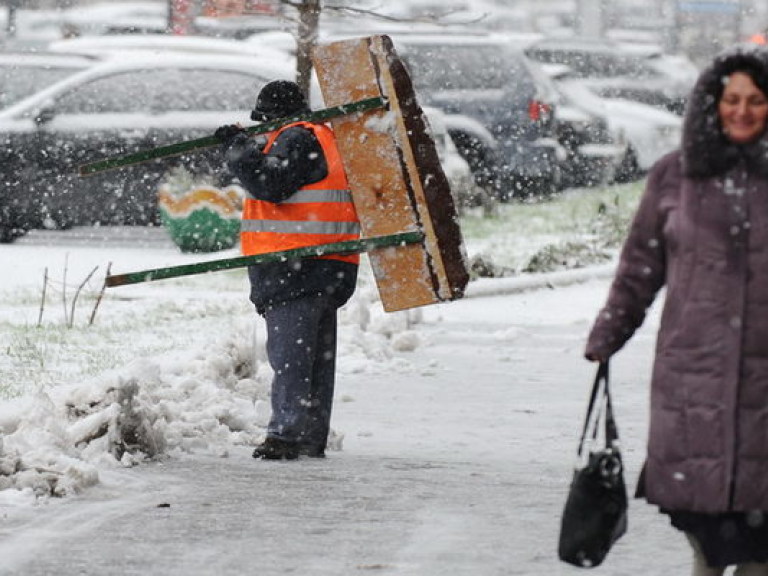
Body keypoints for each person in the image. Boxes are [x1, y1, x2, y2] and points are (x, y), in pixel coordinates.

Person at [584, 45, 768, 575]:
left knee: (761, 549)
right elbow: (640, 269)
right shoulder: (676, 176)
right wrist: (609, 333)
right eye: (731, 99)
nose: (742, 110)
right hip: (695, 382)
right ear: (712, 105)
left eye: (756, 100)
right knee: (706, 543)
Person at [214, 80, 360, 460]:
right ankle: (310, 435)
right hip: (329, 264)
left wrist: (239, 150)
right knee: (316, 359)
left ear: (271, 116)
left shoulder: (295, 138)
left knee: (291, 358)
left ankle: (286, 435)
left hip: (294, 265)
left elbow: (271, 183)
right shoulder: (323, 136)